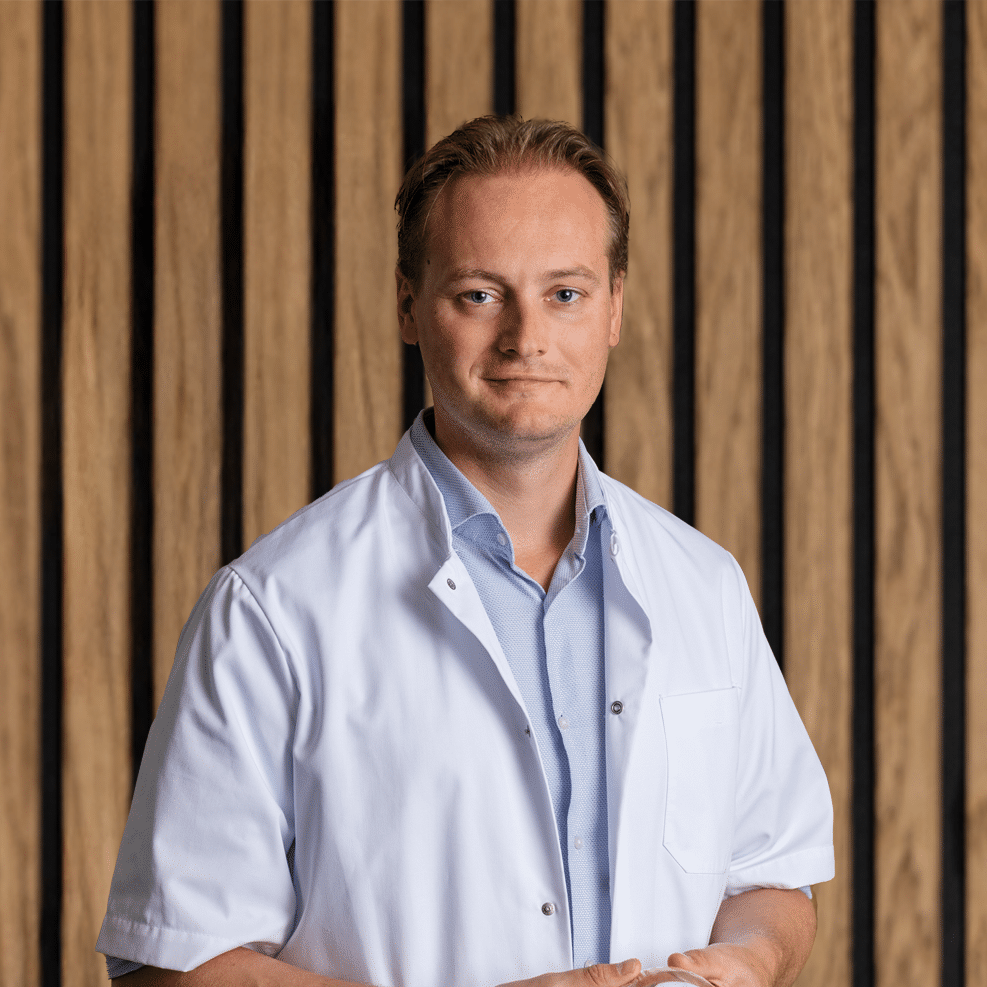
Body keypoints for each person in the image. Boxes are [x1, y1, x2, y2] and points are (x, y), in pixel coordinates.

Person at [97, 115, 833, 986]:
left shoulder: (702, 584)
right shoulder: (273, 608)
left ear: (614, 307)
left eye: (565, 293)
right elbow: (175, 963)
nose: (526, 337)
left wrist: (750, 959)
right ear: (408, 305)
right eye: (480, 294)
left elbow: (769, 874)